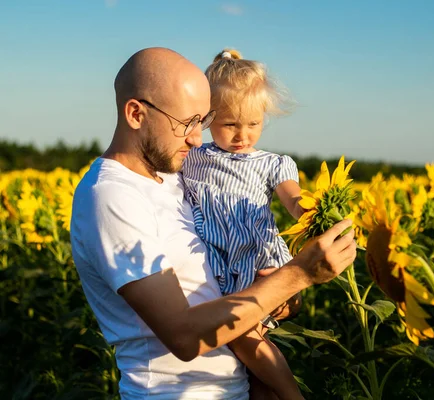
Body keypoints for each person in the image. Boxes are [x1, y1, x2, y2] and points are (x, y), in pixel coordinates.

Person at [70, 46, 356, 400]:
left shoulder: (177, 178)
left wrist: (281, 296)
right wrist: (298, 274)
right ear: (135, 114)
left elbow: (217, 286)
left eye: (202, 122)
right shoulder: (111, 197)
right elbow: (184, 336)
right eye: (186, 123)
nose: (195, 138)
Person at [181, 49, 304, 399]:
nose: (242, 136)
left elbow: (292, 197)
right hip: (218, 266)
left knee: (242, 336)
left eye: (253, 124)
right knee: (249, 372)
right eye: (230, 124)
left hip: (254, 265)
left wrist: (309, 214)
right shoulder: (193, 158)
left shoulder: (272, 163)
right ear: (206, 118)